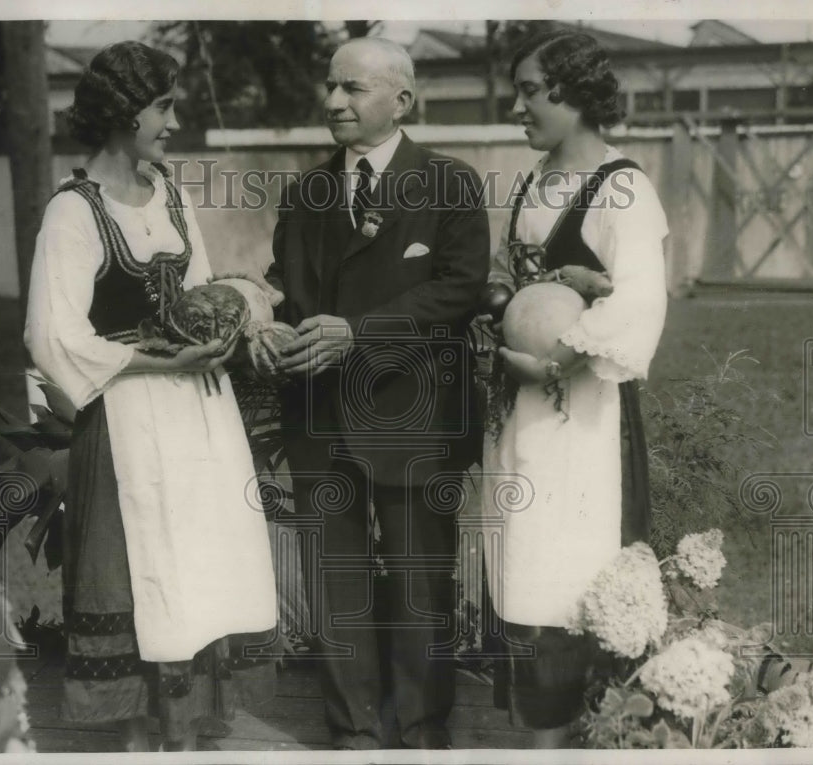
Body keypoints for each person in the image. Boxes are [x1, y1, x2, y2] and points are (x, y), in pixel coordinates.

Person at [24, 41, 277, 752]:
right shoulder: (73, 213)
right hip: (130, 418)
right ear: (122, 110)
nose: (173, 118)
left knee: (199, 561)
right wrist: (155, 359)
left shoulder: (170, 191)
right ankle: (141, 738)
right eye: (163, 104)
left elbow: (195, 289)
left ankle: (187, 733)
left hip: (200, 413)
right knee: (144, 569)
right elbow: (53, 336)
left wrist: (225, 322)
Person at [265, 38, 491, 749]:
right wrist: (264, 324)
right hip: (319, 414)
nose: (334, 101)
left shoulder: (449, 183)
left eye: (353, 89)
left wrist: (356, 333)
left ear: (402, 99)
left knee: (421, 575)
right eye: (331, 86)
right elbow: (287, 289)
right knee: (336, 579)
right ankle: (353, 727)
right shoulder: (307, 193)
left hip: (414, 413)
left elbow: (459, 288)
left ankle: (422, 725)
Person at [479, 31, 669, 748]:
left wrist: (557, 359)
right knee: (524, 559)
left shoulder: (623, 187)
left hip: (582, 412)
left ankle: (572, 734)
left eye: (530, 91)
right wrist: (502, 298)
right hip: (523, 411)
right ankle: (539, 734)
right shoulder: (531, 184)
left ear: (574, 93)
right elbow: (506, 275)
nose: (518, 107)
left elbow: (640, 303)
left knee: (571, 568)